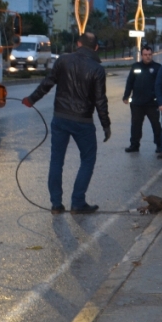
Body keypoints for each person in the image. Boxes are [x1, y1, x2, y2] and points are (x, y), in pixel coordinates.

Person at [22, 32, 111, 214]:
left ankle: (56, 204)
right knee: (87, 159)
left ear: (78, 44)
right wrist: (106, 125)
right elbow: (100, 100)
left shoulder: (63, 60)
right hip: (83, 121)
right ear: (96, 48)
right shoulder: (97, 69)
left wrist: (32, 99)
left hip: (60, 117)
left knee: (56, 160)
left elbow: (48, 83)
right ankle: (78, 202)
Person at [123, 45, 162, 153]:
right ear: (142, 55)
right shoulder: (135, 66)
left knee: (156, 125)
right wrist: (126, 96)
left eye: (149, 55)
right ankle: (134, 145)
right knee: (136, 125)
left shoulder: (158, 68)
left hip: (152, 103)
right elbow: (130, 82)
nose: (147, 57)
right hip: (137, 103)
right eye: (145, 55)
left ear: (152, 55)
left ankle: (160, 145)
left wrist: (161, 100)